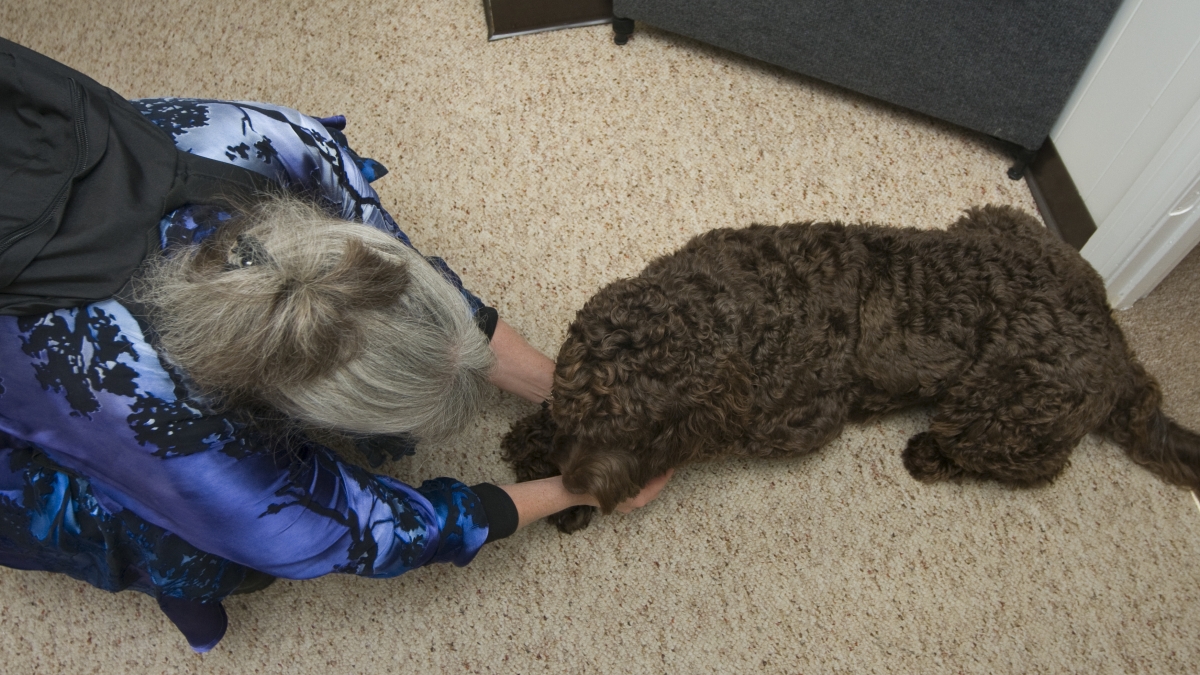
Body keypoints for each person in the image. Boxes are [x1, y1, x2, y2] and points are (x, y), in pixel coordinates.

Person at [0, 92, 670, 652]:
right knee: (196, 545)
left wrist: (574, 396)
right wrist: (576, 487)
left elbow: (407, 289)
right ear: (309, 411)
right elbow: (373, 529)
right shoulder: (188, 447)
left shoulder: (267, 142)